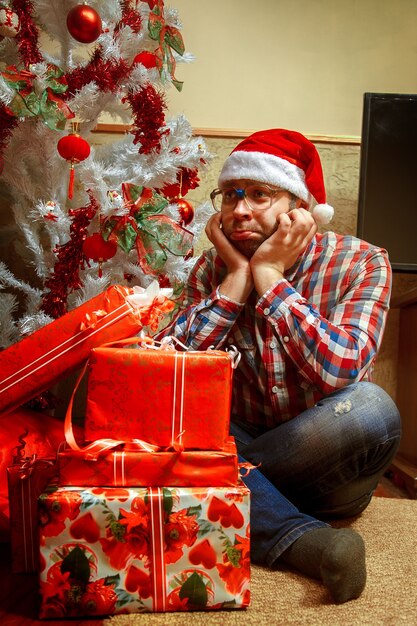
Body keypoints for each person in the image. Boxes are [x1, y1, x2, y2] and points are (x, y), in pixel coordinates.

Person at [157, 129, 401, 604]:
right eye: (230, 195)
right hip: (247, 445)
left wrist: (269, 279)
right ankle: (308, 542)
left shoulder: (362, 261)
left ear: (301, 207)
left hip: (333, 471)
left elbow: (341, 371)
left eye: (259, 194)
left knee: (371, 408)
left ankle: (217, 485)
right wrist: (236, 280)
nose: (239, 210)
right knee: (167, 412)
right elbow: (171, 370)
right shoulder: (212, 269)